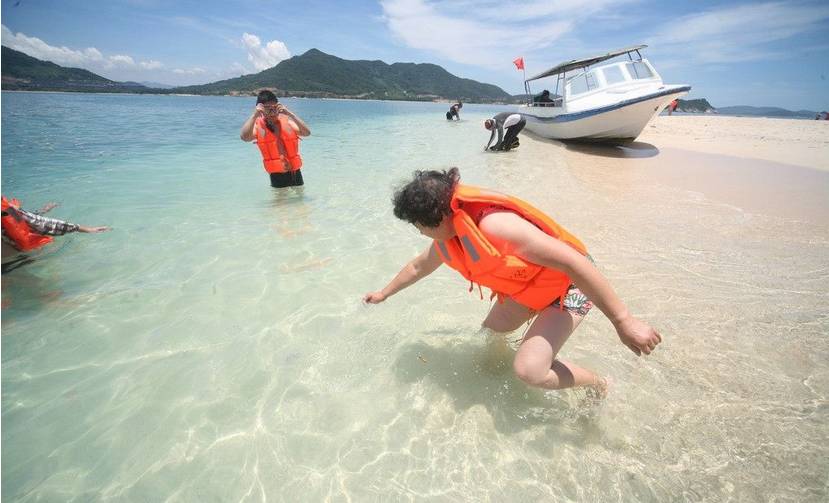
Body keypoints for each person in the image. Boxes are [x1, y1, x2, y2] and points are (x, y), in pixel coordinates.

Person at [363, 168, 662, 394]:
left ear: (438, 218)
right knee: (489, 339)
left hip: (570, 287)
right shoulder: (452, 235)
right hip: (528, 287)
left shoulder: (498, 228)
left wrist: (624, 321)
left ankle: (597, 383)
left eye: (418, 225)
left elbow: (574, 262)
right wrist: (383, 294)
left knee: (529, 371)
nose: (419, 232)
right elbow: (418, 267)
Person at [2, 196, 110, 273]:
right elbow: (40, 224)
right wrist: (84, 229)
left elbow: (27, 220)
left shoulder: (6, 209)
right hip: (16, 260)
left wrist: (40, 212)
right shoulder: (6, 209)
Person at [240, 90, 311, 189]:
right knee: (280, 204)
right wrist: (254, 115)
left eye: (274, 108)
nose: (272, 112)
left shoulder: (288, 123)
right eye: (267, 109)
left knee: (300, 202)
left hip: (295, 172)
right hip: (276, 175)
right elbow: (245, 137)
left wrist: (289, 113)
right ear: (261, 109)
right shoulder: (258, 127)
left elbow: (307, 133)